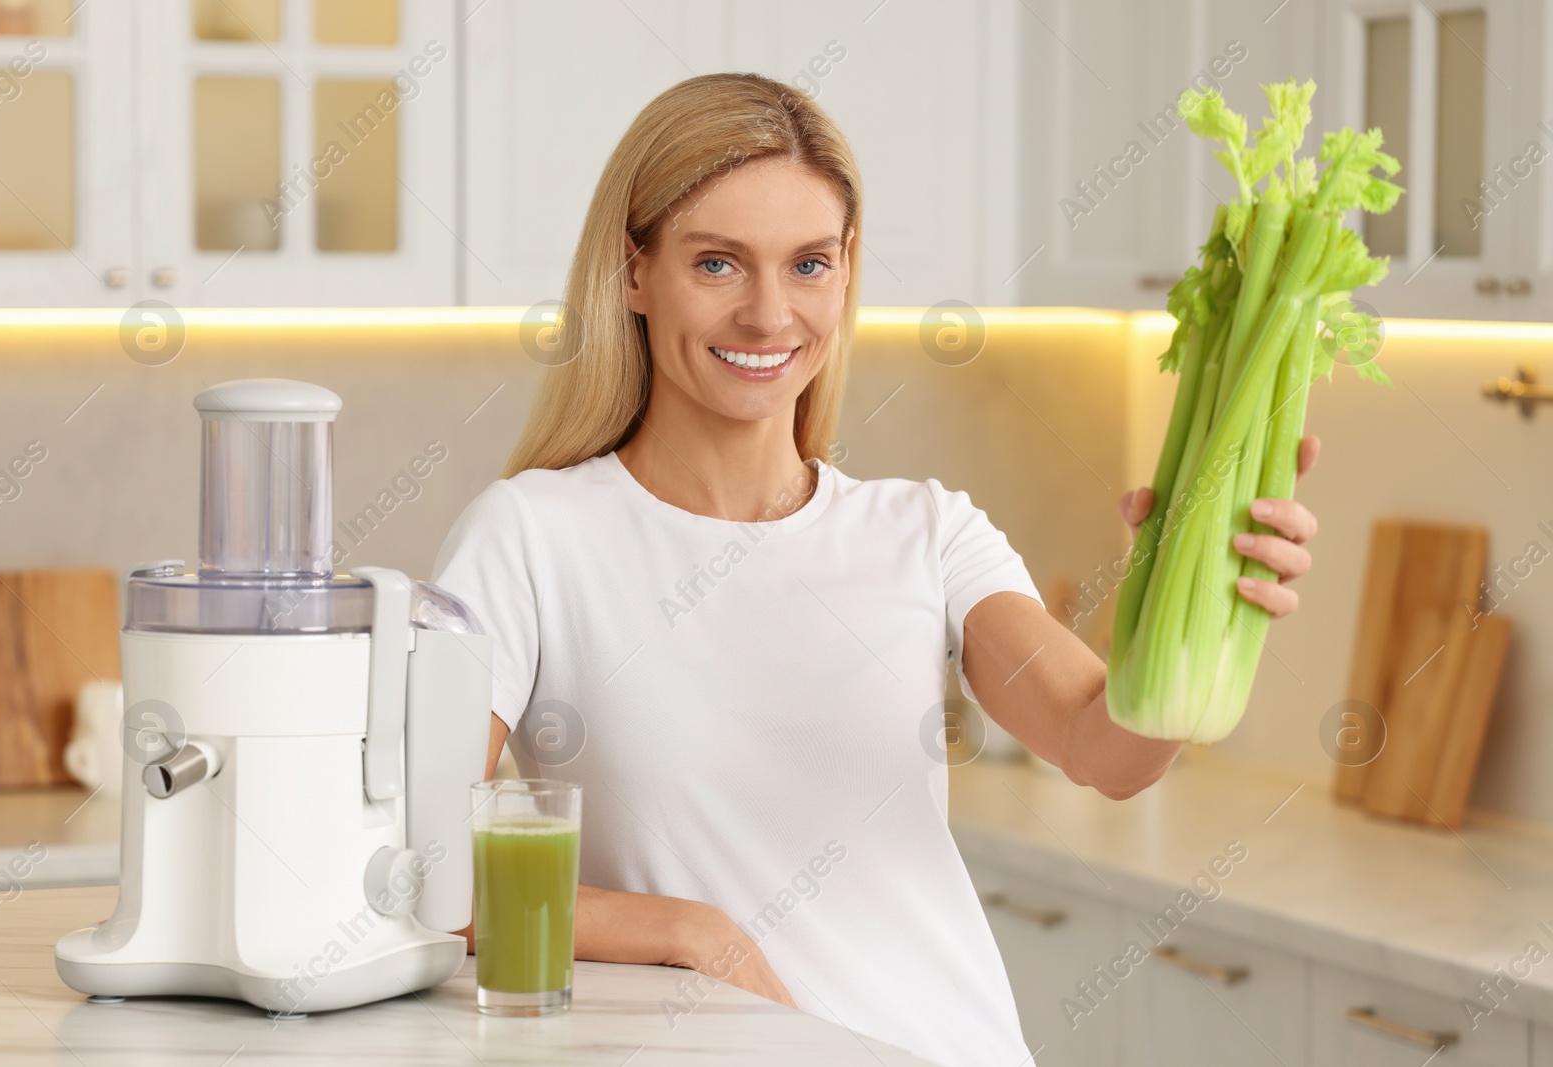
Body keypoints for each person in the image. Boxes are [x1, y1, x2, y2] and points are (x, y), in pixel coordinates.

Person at [432, 71, 1319, 1067]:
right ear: (633, 271)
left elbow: (1102, 748)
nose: (769, 315)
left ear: (848, 270)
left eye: (808, 263)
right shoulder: (531, 536)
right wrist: (689, 930)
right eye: (718, 262)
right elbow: (416, 869)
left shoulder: (927, 530)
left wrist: (1194, 580)